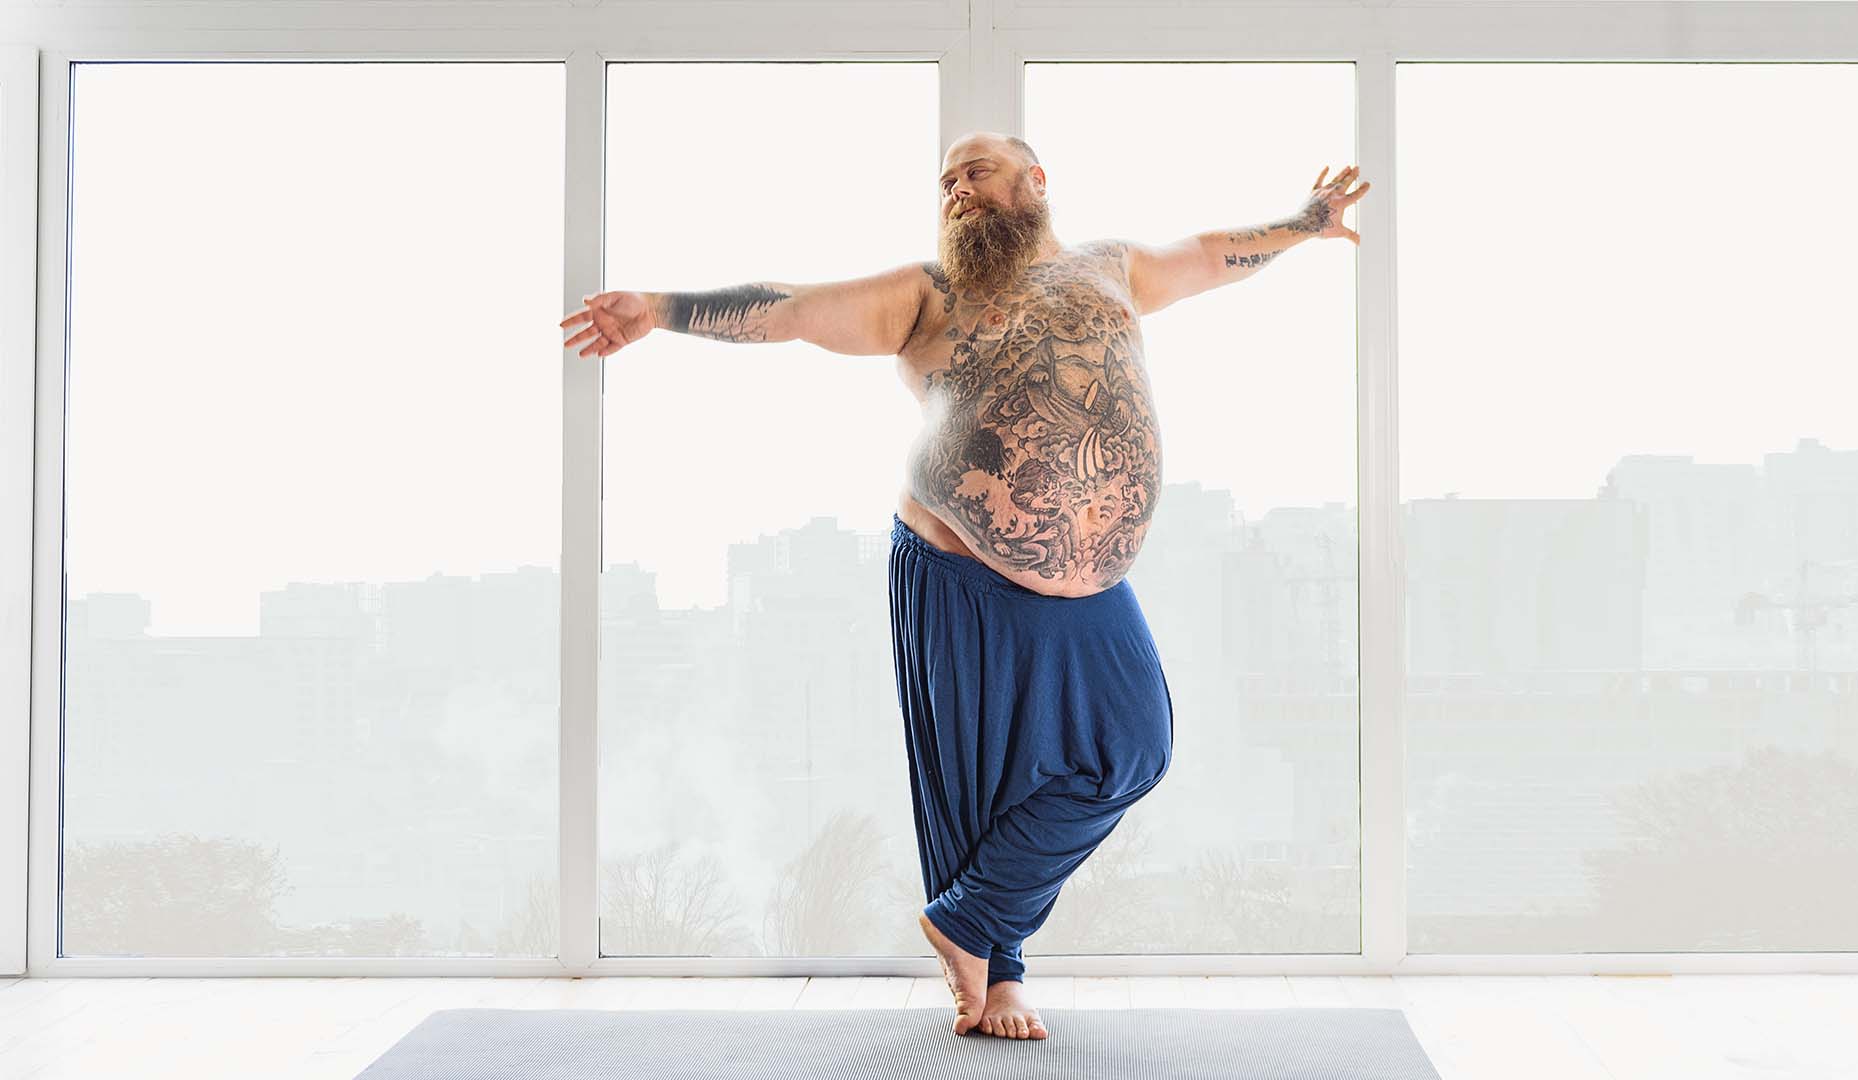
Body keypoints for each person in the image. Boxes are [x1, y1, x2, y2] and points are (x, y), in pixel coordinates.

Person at [559, 132, 1368, 1040]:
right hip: (957, 566)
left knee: (1135, 747)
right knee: (977, 776)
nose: (957, 191)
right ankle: (999, 973)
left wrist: (1304, 224)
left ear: (1035, 180)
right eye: (945, 182)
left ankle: (968, 920)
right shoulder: (926, 295)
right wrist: (660, 309)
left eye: (974, 172)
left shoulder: (1112, 269)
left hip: (1096, 588)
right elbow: (788, 309)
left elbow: (1213, 257)